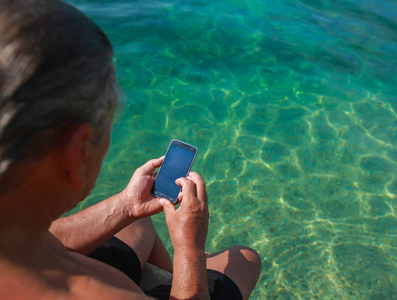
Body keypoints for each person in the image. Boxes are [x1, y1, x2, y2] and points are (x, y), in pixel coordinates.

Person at [0, 0, 261, 299]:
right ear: (77, 151)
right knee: (246, 259)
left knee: (137, 225)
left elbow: (48, 239)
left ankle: (167, 271)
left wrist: (127, 206)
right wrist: (190, 249)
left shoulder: (15, 229)